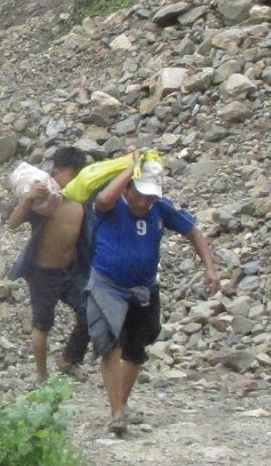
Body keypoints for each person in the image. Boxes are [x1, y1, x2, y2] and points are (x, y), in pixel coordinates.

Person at [87, 152, 220, 435]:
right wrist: (128, 168)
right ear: (127, 188)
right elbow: (102, 201)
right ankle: (116, 412)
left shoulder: (160, 208)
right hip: (107, 284)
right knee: (110, 344)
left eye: (151, 196)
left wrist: (210, 268)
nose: (146, 202)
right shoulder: (111, 205)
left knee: (137, 347)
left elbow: (193, 232)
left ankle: (122, 404)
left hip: (144, 287)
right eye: (142, 195)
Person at [6, 146, 93, 385]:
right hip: (42, 272)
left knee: (90, 312)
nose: (75, 179)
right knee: (43, 323)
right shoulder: (46, 200)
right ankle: (41, 376)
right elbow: (13, 223)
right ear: (58, 171)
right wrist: (28, 197)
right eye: (71, 174)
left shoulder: (81, 199)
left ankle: (69, 360)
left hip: (71, 271)